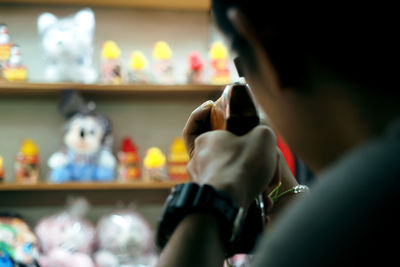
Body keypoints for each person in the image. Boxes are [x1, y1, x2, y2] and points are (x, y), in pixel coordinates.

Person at [156, 1, 400, 266]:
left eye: (243, 66)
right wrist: (287, 193)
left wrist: (210, 199)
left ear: (270, 48)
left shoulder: (357, 216)